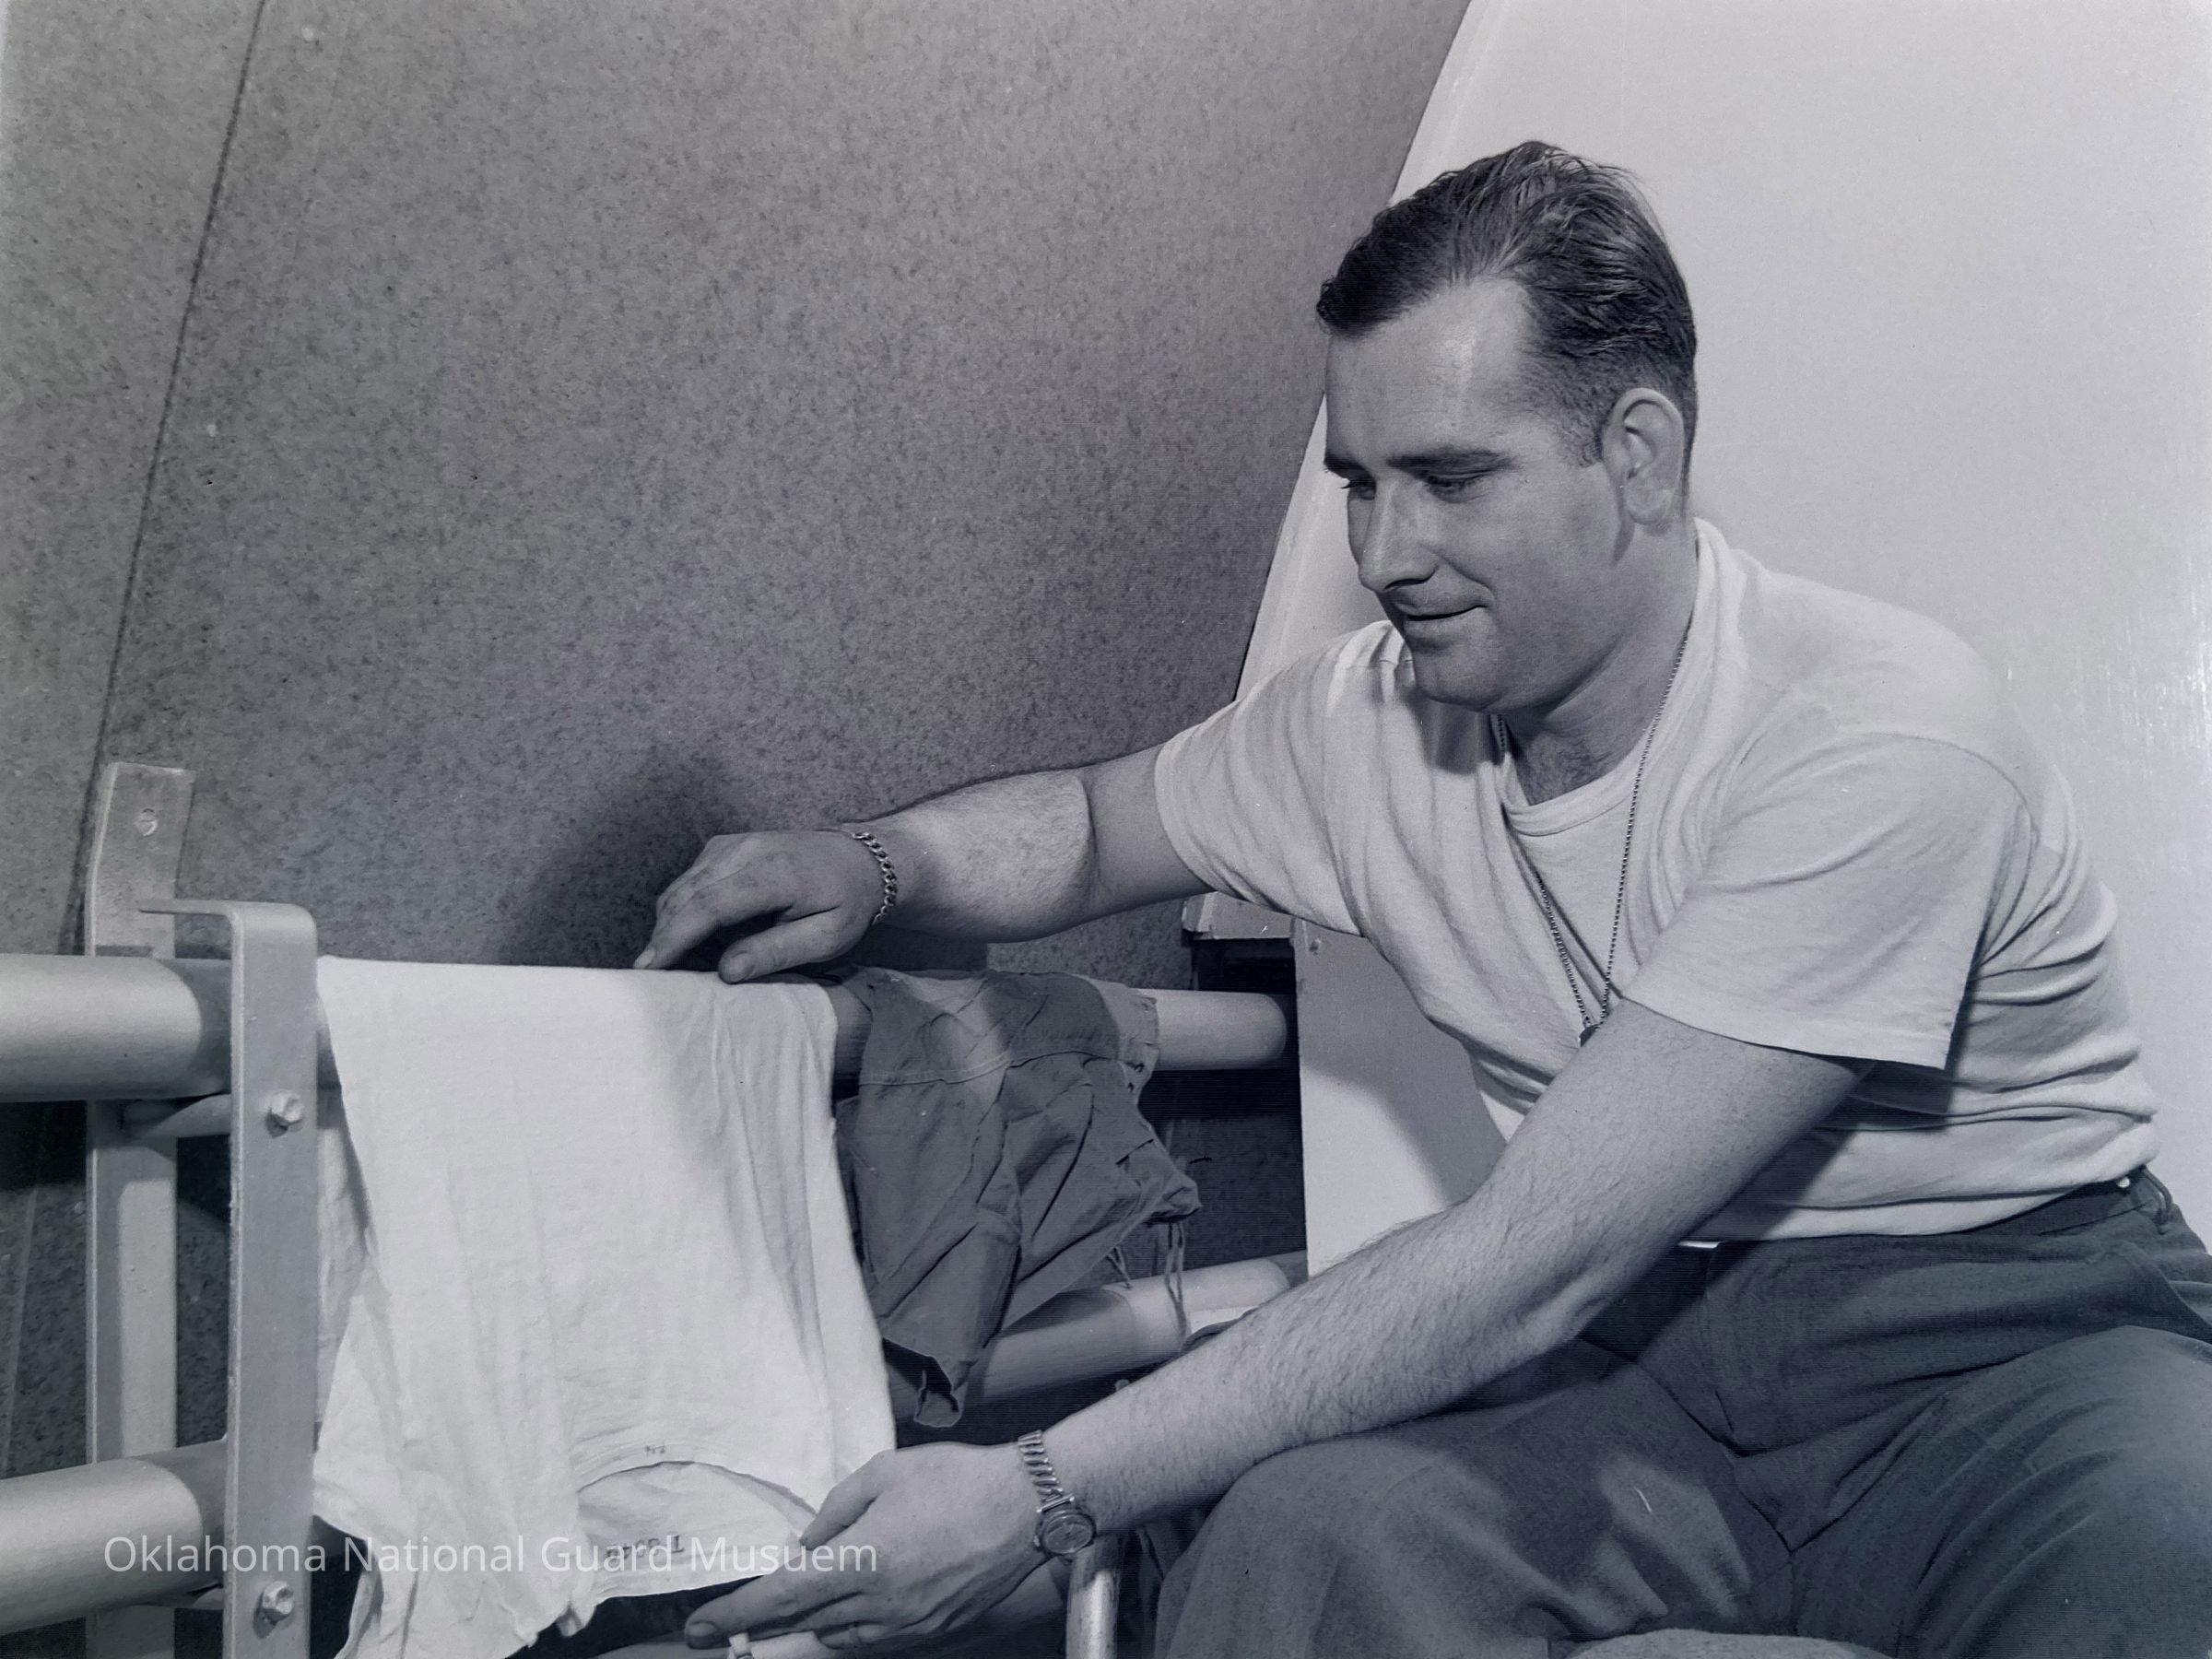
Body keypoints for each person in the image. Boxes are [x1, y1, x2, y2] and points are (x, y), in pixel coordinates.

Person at [635, 142, 2212, 1657]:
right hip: (1656, 1355)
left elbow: (1531, 1259)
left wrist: (1040, 1490)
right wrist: (877, 863)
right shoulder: (1365, 719)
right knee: (1304, 1538)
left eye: (1451, 480)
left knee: (2176, 1543)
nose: (1389, 553)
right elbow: (1098, 825)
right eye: (1360, 485)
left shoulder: (1881, 734)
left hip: (2010, 1344)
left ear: (1639, 456)